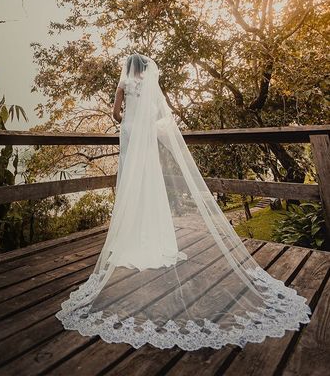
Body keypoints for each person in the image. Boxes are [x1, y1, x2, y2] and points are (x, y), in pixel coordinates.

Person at [56, 53, 311, 350]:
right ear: (145, 69)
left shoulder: (123, 83)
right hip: (146, 139)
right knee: (150, 184)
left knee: (130, 186)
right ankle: (154, 236)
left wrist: (127, 119)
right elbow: (156, 115)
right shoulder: (148, 84)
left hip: (129, 136)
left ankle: (130, 237)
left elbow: (116, 115)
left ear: (128, 68)